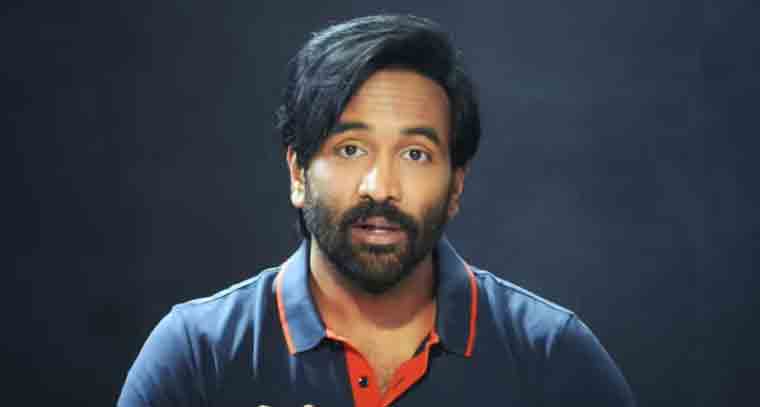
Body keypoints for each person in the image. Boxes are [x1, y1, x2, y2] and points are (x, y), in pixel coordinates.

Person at [118, 14, 635, 407]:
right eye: (350, 149)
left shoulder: (550, 355)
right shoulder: (198, 356)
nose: (380, 187)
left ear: (456, 185)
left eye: (415, 154)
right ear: (298, 173)